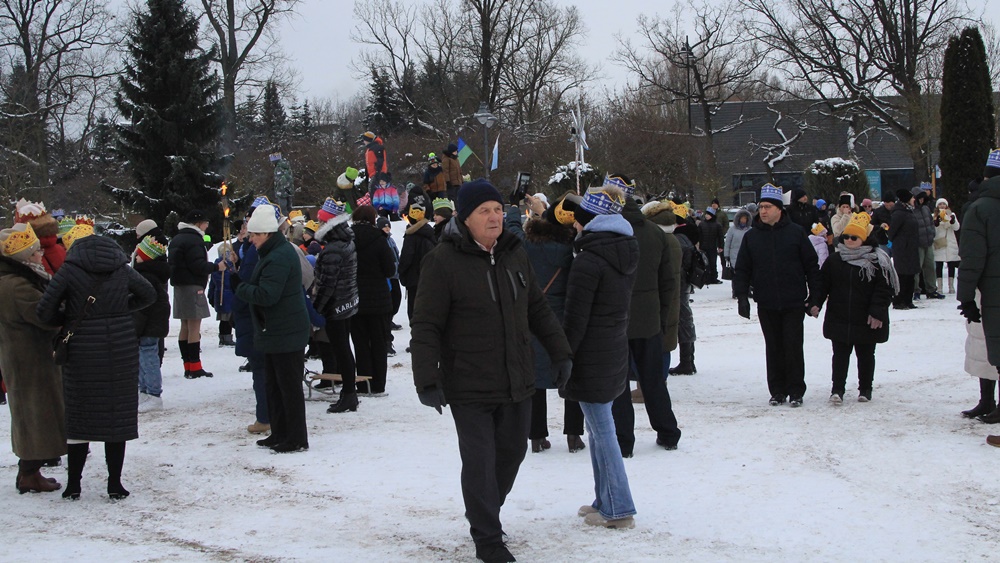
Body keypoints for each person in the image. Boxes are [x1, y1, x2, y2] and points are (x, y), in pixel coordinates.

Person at [410, 179, 572, 563]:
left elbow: (537, 309)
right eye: (485, 211)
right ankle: (487, 538)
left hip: (517, 376)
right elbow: (426, 324)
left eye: (498, 209)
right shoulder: (442, 261)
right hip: (468, 382)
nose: (495, 216)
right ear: (465, 218)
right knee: (480, 462)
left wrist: (561, 354)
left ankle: (485, 509)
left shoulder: (517, 254)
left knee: (512, 453)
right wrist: (426, 379)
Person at [37, 225, 156, 499]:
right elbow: (148, 294)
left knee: (81, 414)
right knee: (117, 416)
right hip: (121, 349)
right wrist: (118, 312)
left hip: (81, 350)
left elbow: (44, 311)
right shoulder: (122, 268)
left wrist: (69, 320)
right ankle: (115, 484)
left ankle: (74, 484)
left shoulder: (69, 270)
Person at [561, 184, 639, 529]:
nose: (574, 226)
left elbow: (576, 319)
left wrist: (563, 355)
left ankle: (619, 508)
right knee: (598, 429)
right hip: (613, 348)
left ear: (589, 221)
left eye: (578, 221)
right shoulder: (624, 248)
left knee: (602, 431)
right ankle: (604, 499)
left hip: (591, 353)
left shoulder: (589, 260)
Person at [505, 192, 586, 454]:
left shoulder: (526, 246)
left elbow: (514, 228)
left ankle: (537, 436)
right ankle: (574, 434)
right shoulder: (571, 251)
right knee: (570, 376)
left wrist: (516, 206)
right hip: (562, 318)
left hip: (533, 319)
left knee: (535, 378)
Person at [733, 183, 821, 407]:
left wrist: (815, 297)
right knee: (773, 347)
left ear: (779, 209)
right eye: (761, 207)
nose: (763, 211)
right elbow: (742, 269)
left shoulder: (795, 233)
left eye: (768, 207)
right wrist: (742, 296)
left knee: (792, 346)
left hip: (793, 300)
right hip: (767, 301)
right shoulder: (752, 237)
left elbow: (811, 266)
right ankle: (777, 390)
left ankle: (796, 390)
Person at [233, 204, 311, 453]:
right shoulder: (272, 252)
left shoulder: (278, 255)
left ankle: (296, 438)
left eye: (254, 234)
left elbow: (268, 295)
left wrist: (239, 286)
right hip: (276, 332)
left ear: (266, 233)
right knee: (274, 386)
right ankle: (279, 432)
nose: (250, 238)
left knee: (288, 388)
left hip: (285, 332)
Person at [613, 177, 682, 456]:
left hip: (617, 320)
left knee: (618, 385)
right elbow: (669, 283)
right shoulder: (656, 234)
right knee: (653, 381)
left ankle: (623, 441)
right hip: (650, 319)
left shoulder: (610, 235)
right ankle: (668, 433)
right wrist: (663, 316)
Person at [0, 222, 65, 494]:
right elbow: (45, 316)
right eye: (36, 251)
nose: (41, 255)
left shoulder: (18, 280)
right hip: (28, 359)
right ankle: (29, 473)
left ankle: (31, 469)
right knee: (33, 414)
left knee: (34, 413)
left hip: (26, 356)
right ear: (24, 257)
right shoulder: (16, 286)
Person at [809, 213, 898, 403]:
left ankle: (865, 389)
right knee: (839, 355)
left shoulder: (876, 260)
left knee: (866, 355)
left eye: (854, 237)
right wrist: (815, 302)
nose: (849, 240)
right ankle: (837, 389)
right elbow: (823, 284)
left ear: (864, 239)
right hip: (839, 316)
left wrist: (877, 312)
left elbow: (884, 290)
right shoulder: (835, 260)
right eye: (846, 237)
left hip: (866, 318)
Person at [957, 150, 1000, 440]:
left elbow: (972, 258)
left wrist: (966, 297)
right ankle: (988, 400)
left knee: (990, 346)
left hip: (992, 291)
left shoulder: (980, 207)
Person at [313, 201, 360, 413]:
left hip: (336, 306)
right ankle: (349, 392)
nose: (317, 223)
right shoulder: (347, 242)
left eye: (321, 220)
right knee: (344, 350)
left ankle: (349, 394)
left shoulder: (332, 249)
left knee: (341, 350)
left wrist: (317, 308)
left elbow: (327, 284)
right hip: (348, 301)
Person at [168, 209, 227, 379]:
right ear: (198, 223)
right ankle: (195, 366)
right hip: (193, 285)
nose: (207, 225)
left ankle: (187, 365)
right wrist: (216, 267)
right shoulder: (194, 240)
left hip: (179, 286)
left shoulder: (177, 238)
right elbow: (198, 265)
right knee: (194, 326)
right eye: (205, 222)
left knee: (184, 326)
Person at [350, 205, 395, 395]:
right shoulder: (380, 240)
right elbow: (390, 270)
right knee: (378, 342)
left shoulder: (348, 239)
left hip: (354, 297)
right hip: (378, 299)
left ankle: (363, 383)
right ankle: (378, 385)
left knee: (360, 342)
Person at [132, 234, 171, 412]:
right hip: (148, 323)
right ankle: (144, 392)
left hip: (149, 324)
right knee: (142, 356)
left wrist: (137, 325)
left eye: (139, 254)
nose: (135, 256)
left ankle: (154, 394)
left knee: (148, 356)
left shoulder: (147, 276)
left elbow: (146, 305)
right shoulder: (147, 274)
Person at [397, 202, 436, 322]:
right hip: (429, 277)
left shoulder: (411, 236)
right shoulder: (431, 233)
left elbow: (406, 258)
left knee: (414, 310)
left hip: (413, 279)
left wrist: (402, 273)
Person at [888, 189, 921, 310]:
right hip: (902, 248)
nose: (914, 200)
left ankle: (908, 300)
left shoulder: (909, 211)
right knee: (902, 275)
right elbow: (892, 231)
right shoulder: (899, 213)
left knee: (911, 275)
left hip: (911, 247)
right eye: (912, 198)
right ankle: (898, 300)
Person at [912, 186, 945, 299]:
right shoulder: (912, 210)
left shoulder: (925, 209)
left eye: (923, 198)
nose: (921, 200)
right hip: (918, 243)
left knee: (930, 267)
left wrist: (932, 234)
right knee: (917, 268)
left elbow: (930, 223)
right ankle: (916, 290)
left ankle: (931, 289)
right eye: (919, 198)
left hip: (928, 242)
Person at [377, 216, 402, 353]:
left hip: (395, 275)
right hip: (387, 277)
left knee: (396, 299)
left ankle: (390, 318)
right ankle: (387, 324)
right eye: (384, 226)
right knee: (390, 301)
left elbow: (396, 255)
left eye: (388, 226)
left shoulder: (391, 240)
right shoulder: (381, 241)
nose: (387, 228)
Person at [208, 246, 237, 347]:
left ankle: (224, 337)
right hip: (226, 295)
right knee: (226, 319)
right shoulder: (224, 266)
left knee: (225, 318)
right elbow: (227, 280)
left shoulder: (218, 265)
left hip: (222, 295)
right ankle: (226, 337)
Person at [933, 198, 961, 294]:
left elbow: (957, 228)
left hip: (950, 242)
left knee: (951, 264)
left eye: (943, 204)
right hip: (940, 242)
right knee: (939, 264)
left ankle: (951, 285)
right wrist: (936, 223)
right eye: (940, 204)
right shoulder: (934, 216)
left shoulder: (951, 214)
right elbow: (933, 230)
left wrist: (952, 221)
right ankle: (939, 286)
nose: (942, 206)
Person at [724, 208, 753, 293]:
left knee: (746, 273)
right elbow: (728, 242)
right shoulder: (732, 229)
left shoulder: (750, 230)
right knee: (736, 274)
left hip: (746, 255)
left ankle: (747, 290)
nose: (743, 220)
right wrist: (727, 255)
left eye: (745, 218)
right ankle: (735, 290)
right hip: (734, 255)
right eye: (742, 218)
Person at [697, 206, 724, 284]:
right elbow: (699, 235)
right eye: (706, 214)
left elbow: (720, 236)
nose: (706, 216)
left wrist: (720, 246)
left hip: (712, 247)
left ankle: (713, 278)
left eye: (708, 214)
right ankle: (706, 278)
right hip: (703, 247)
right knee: (705, 264)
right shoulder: (702, 224)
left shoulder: (717, 225)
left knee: (713, 263)